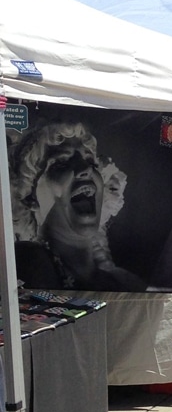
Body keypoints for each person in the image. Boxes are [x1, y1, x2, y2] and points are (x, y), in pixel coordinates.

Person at [10, 121, 145, 292]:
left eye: (91, 162)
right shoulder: (29, 259)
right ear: (30, 197)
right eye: (61, 164)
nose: (85, 169)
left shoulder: (126, 282)